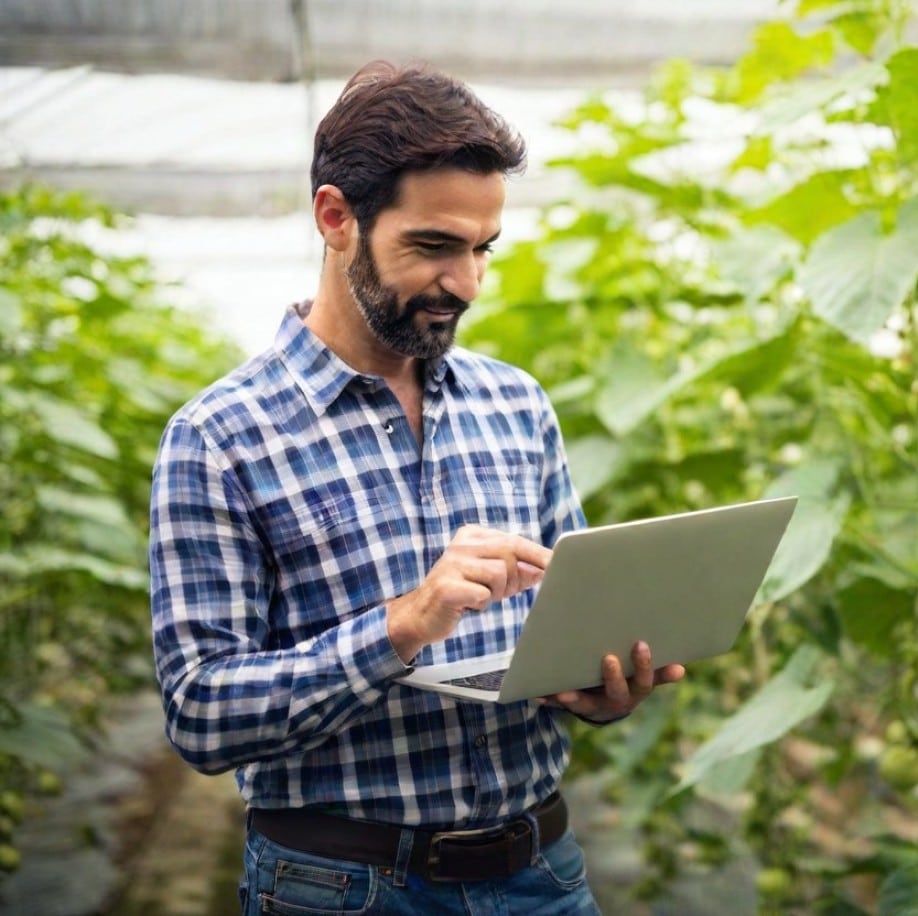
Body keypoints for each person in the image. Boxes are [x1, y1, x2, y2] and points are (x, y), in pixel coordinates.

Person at [148, 59, 684, 915]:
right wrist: (400, 625)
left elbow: (569, 623)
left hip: (541, 873)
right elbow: (201, 712)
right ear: (336, 218)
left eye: (481, 250)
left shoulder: (517, 404)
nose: (466, 283)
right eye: (432, 247)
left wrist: (601, 689)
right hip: (340, 887)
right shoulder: (219, 438)